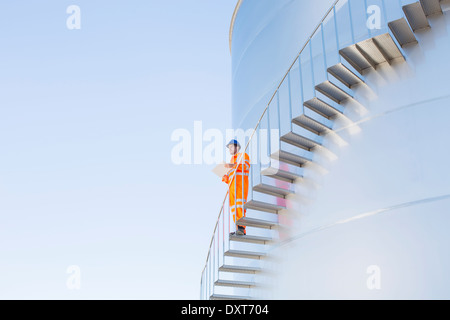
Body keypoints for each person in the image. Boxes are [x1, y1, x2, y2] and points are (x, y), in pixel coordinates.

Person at [222, 139, 250, 236]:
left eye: (231, 147)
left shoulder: (243, 155)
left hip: (240, 186)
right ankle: (238, 227)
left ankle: (242, 228)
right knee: (234, 209)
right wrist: (225, 177)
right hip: (232, 188)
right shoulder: (232, 160)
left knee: (239, 207)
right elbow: (231, 175)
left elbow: (245, 166)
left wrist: (232, 165)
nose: (229, 149)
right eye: (228, 147)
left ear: (236, 147)